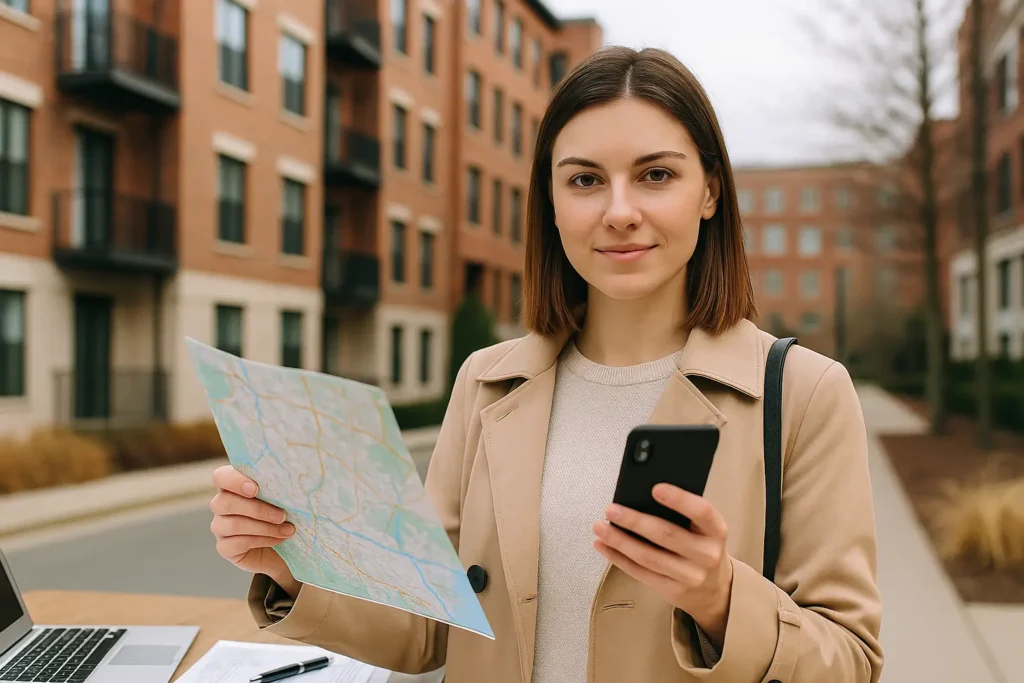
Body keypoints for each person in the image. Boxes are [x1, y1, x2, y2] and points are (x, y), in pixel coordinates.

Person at [209, 46, 884, 683]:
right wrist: (292, 566)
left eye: (656, 175)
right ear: (553, 203)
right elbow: (430, 626)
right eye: (586, 179)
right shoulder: (486, 381)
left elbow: (851, 658)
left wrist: (721, 597)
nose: (620, 212)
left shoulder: (804, 394)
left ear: (709, 192)